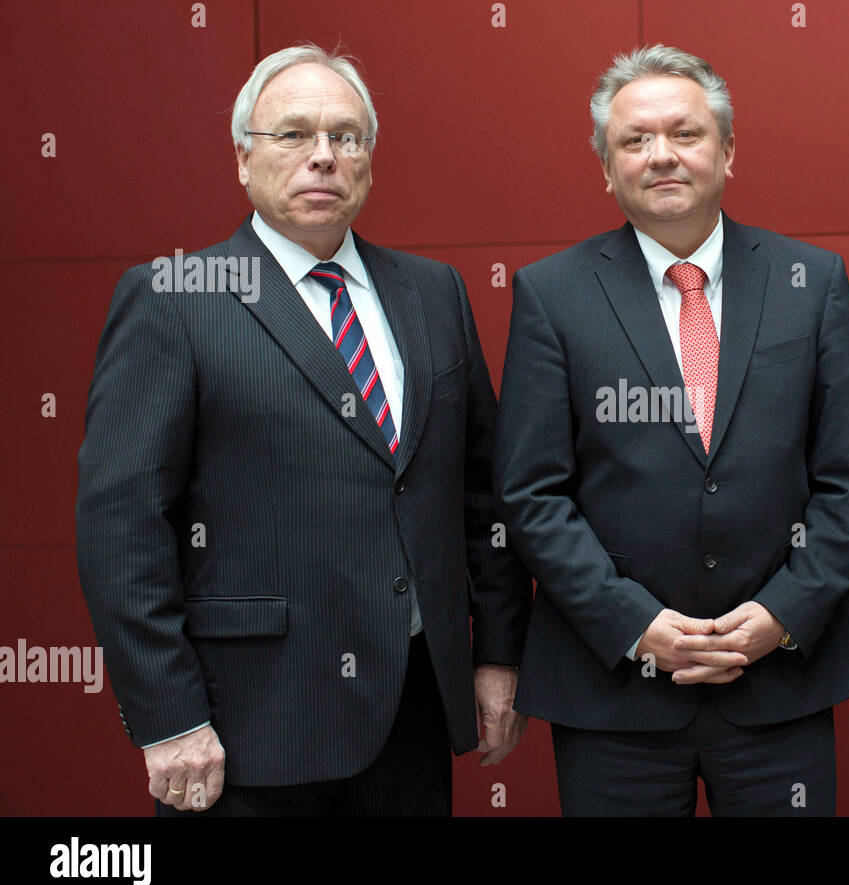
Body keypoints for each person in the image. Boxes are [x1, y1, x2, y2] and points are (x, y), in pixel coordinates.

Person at [75, 43, 531, 816]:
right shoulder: (174, 298)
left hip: (411, 715)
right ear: (243, 161)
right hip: (249, 728)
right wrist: (170, 718)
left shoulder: (434, 292)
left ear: (369, 163)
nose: (323, 155)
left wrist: (495, 652)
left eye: (346, 136)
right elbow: (121, 525)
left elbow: (481, 495)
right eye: (292, 135)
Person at [493, 45, 849, 816]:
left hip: (779, 684)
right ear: (607, 167)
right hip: (615, 694)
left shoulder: (813, 281)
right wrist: (634, 622)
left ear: (728, 150)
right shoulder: (552, 295)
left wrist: (783, 615)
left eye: (685, 133)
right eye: (634, 140)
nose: (661, 155)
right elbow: (532, 493)